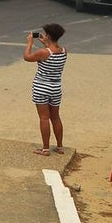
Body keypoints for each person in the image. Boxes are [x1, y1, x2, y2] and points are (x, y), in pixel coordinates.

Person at [25, 24, 67, 156]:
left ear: (48, 35)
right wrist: (46, 44)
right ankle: (59, 146)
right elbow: (50, 54)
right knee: (55, 117)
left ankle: (45, 149)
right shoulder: (64, 51)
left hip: (42, 87)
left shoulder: (43, 52)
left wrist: (30, 43)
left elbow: (27, 57)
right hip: (56, 88)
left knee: (44, 118)